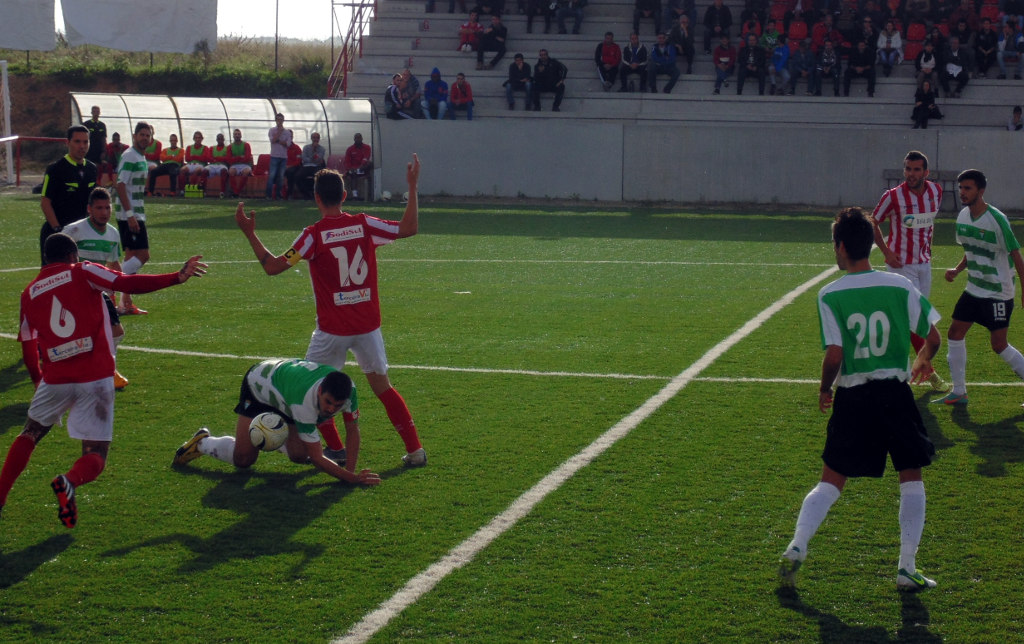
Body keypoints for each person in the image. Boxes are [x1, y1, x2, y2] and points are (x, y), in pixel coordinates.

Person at [778, 207, 941, 593]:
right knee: (911, 476)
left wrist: (825, 389)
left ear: (840, 247)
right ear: (870, 244)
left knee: (831, 479)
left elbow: (835, 354)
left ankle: (797, 546)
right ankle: (906, 568)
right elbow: (933, 337)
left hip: (853, 397)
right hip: (895, 394)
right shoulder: (900, 285)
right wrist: (922, 360)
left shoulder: (829, 294)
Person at [233, 156, 428, 468]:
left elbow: (273, 267)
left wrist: (249, 233)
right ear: (345, 196)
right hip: (367, 327)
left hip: (331, 332)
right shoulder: (364, 224)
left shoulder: (313, 235)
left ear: (317, 198)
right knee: (383, 387)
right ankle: (415, 450)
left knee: (312, 390)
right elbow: (409, 228)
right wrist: (413, 186)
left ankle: (336, 448)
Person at [0, 232, 205, 528]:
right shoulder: (83, 271)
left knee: (30, 433)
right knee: (95, 453)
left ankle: (1, 495)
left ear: (46, 259)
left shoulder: (29, 292)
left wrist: (38, 382)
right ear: (72, 256)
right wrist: (176, 277)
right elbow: (126, 283)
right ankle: (69, 481)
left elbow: (29, 345)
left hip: (55, 379)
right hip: (94, 377)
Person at [171, 359, 381, 486]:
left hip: (286, 395)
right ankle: (202, 442)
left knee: (300, 455)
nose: (331, 409)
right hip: (259, 386)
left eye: (337, 405)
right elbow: (318, 458)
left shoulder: (350, 393)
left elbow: (352, 430)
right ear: (319, 391)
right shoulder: (304, 402)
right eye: (328, 402)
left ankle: (275, 438)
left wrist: (350, 471)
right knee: (243, 460)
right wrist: (350, 479)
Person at [933, 169, 1024, 407]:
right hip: (974, 288)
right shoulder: (963, 216)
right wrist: (957, 269)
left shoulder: (997, 219)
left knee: (999, 345)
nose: (962, 193)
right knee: (955, 333)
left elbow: (1016, 255)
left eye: (968, 188)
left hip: (998, 292)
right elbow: (971, 248)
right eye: (961, 188)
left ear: (980, 191)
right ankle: (959, 392)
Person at [871, 151, 949, 391]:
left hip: (924, 264)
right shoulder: (893, 196)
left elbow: (928, 225)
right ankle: (928, 371)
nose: (911, 174)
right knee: (913, 316)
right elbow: (873, 221)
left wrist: (927, 250)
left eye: (916, 169)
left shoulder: (936, 191)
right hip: (901, 265)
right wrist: (886, 252)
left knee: (915, 318)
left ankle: (889, 364)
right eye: (907, 169)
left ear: (926, 172)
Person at [61, 187, 130, 390]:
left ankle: (108, 369)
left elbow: (114, 264)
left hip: (99, 293)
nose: (104, 212)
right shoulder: (73, 231)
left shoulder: (113, 234)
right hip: (76, 292)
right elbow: (59, 261)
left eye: (107, 207)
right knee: (79, 336)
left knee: (116, 332)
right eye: (99, 208)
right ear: (89, 209)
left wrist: (124, 291)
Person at [39, 125, 98, 266]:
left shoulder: (92, 169)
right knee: (53, 275)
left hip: (81, 234)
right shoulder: (55, 169)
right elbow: (45, 202)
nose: (82, 146)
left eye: (85, 142)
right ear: (68, 142)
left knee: (81, 274)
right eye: (77, 141)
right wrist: (58, 231)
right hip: (56, 233)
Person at [114, 122, 155, 316]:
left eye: (148, 135)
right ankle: (109, 283)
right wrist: (130, 215)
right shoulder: (130, 155)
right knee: (143, 255)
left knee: (131, 256)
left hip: (134, 213)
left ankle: (126, 303)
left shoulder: (140, 156)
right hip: (129, 215)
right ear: (134, 136)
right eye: (142, 135)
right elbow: (120, 185)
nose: (145, 138)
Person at [266, 113, 293, 200]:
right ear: (276, 120)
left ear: (283, 120)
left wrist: (278, 141)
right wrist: (279, 133)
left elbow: (288, 144)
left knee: (281, 177)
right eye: (278, 119)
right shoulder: (272, 130)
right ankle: (268, 195)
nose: (279, 121)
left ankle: (278, 195)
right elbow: (272, 140)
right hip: (274, 156)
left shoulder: (287, 132)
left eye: (281, 119)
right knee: (272, 176)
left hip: (283, 157)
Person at [147, 132, 183, 196]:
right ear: (170, 141)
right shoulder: (165, 150)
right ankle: (150, 192)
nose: (173, 142)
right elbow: (162, 158)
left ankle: (172, 192)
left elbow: (179, 159)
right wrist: (173, 156)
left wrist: (167, 157)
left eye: (174, 140)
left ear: (177, 141)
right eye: (171, 140)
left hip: (175, 165)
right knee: (153, 172)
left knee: (173, 172)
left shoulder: (181, 150)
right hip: (165, 165)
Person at [342, 133, 371, 201]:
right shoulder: (350, 149)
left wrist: (359, 167)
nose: (358, 139)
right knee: (353, 174)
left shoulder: (367, 147)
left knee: (368, 165)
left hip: (362, 168)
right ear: (354, 139)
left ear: (362, 139)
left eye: (359, 138)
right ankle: (354, 196)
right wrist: (350, 168)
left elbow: (366, 158)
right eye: (356, 138)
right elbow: (347, 161)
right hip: (353, 170)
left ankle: (357, 196)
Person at [228, 129, 254, 199]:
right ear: (233, 136)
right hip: (234, 165)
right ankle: (236, 192)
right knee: (231, 172)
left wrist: (235, 158)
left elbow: (247, 158)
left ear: (241, 135)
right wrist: (241, 157)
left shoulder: (246, 145)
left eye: (238, 134)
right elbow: (229, 159)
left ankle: (237, 192)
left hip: (245, 165)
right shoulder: (230, 146)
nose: (237, 136)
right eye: (235, 134)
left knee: (246, 172)